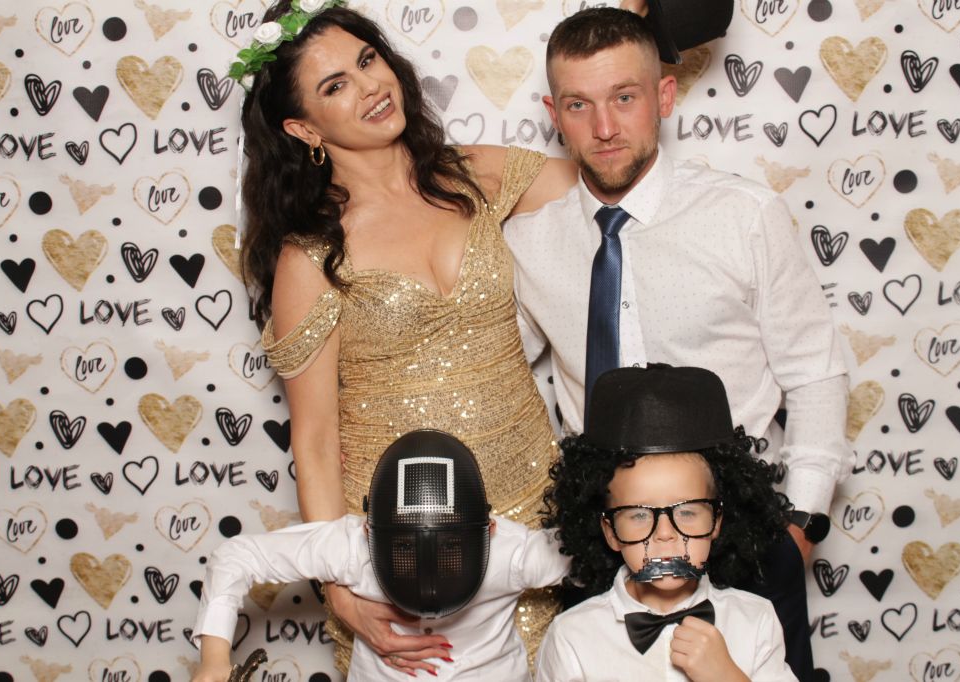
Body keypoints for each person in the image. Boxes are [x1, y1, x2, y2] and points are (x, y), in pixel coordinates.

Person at [231, 1, 579, 674]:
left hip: (537, 523)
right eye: (336, 85)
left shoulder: (474, 175)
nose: (370, 86)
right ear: (303, 127)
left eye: (368, 60)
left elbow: (610, 181)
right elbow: (315, 439)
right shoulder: (311, 257)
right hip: (409, 553)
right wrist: (341, 593)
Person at [503, 8, 850, 678]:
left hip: (740, 534)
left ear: (664, 96)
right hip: (606, 543)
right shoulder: (528, 243)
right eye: (579, 105)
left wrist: (801, 525)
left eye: (624, 98)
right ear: (554, 114)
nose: (604, 128)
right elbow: (487, 376)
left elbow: (814, 372)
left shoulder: (744, 217)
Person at [191, 431, 569, 681]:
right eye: (403, 547)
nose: (426, 565)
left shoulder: (513, 553)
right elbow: (237, 556)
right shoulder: (350, 548)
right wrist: (213, 661)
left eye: (450, 546)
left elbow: (591, 551)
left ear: (490, 531)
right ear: (368, 533)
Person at [536, 364, 796, 681]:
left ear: (717, 520)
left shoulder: (756, 620)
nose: (665, 535)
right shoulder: (571, 638)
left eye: (687, 512)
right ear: (610, 531)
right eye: (639, 514)